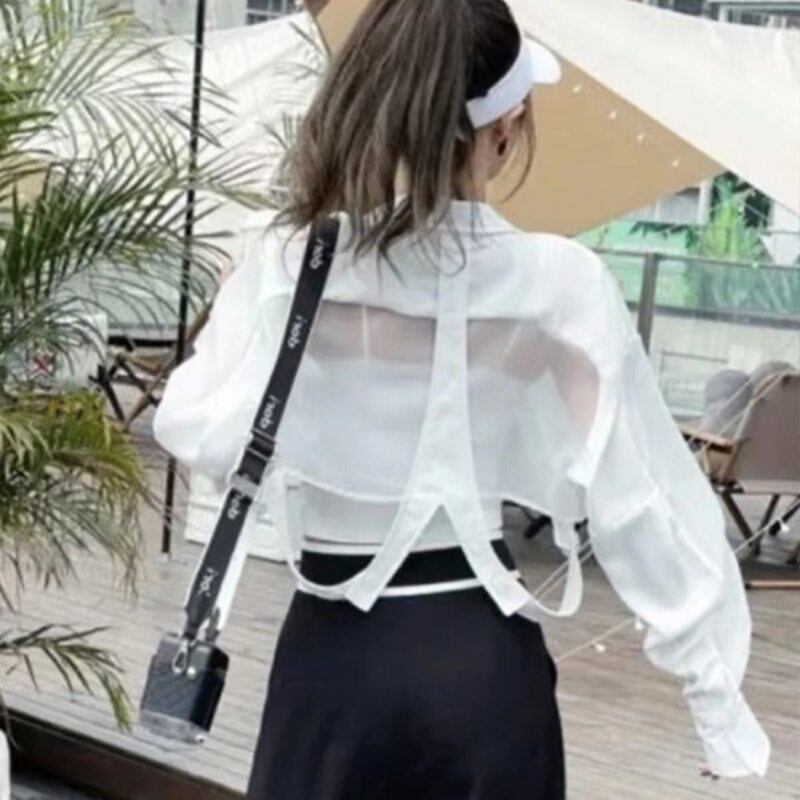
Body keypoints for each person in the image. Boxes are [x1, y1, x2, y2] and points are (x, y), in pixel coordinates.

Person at [151, 1, 770, 797]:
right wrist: (715, 701)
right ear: (506, 129)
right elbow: (636, 498)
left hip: (330, 666)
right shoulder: (556, 285)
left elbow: (196, 430)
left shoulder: (292, 264)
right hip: (480, 666)